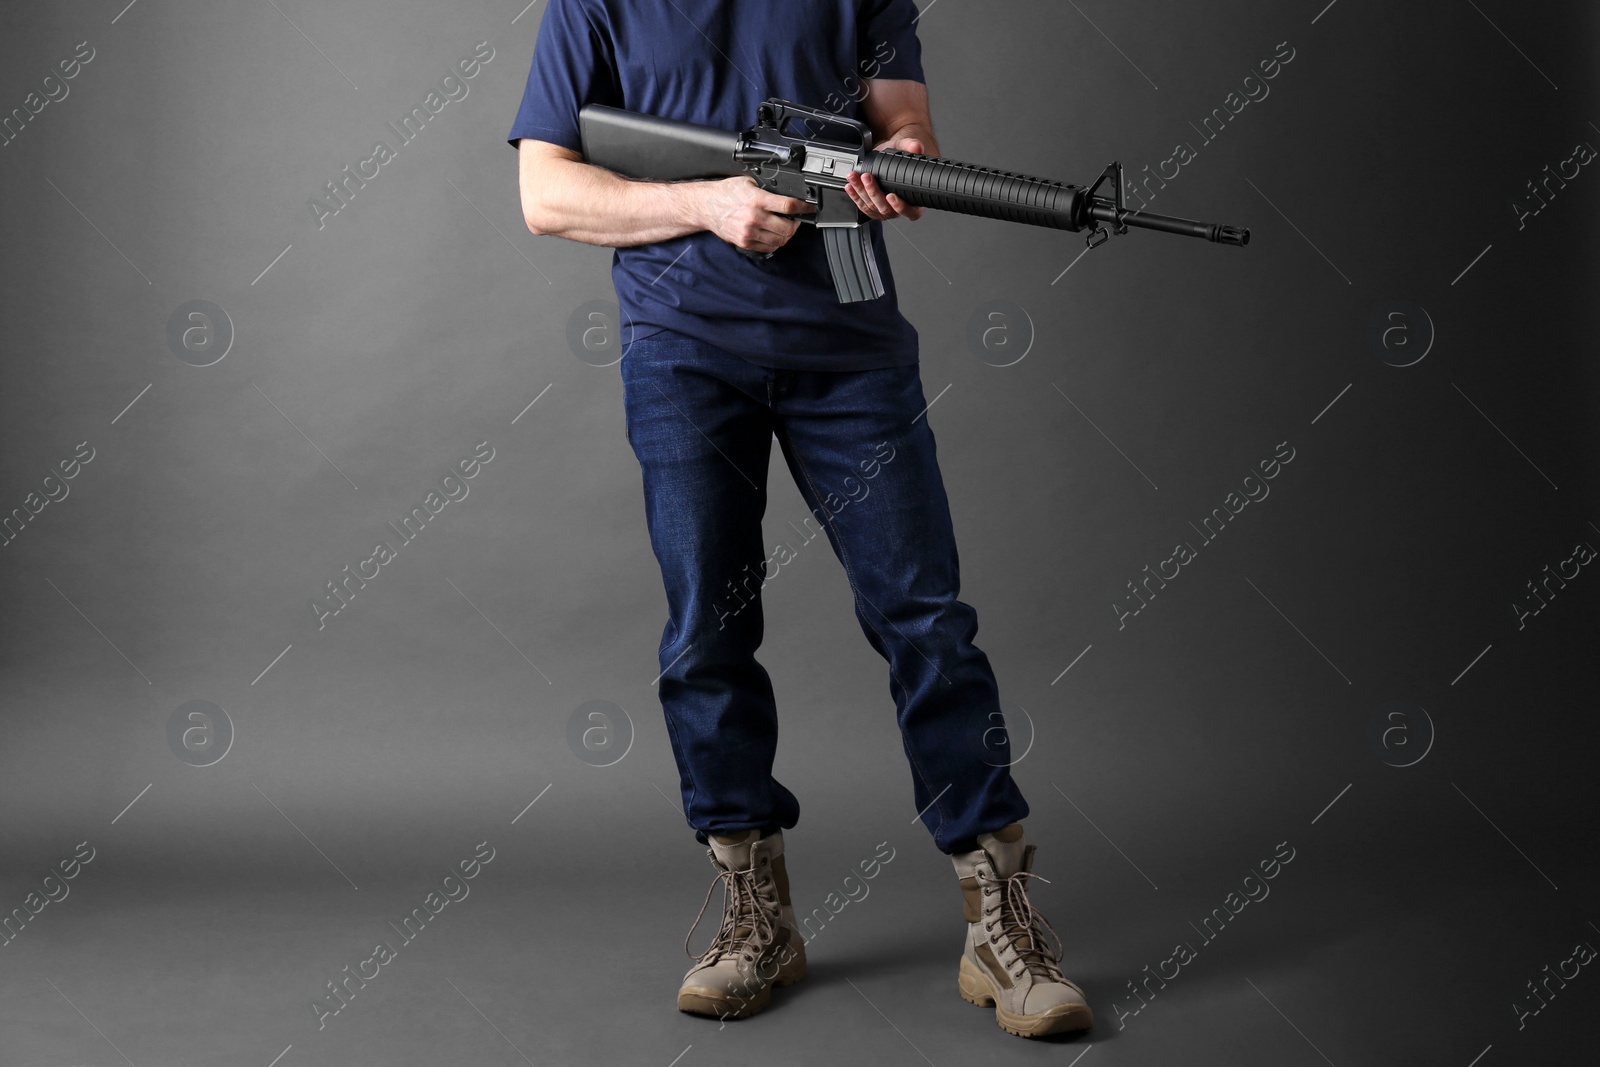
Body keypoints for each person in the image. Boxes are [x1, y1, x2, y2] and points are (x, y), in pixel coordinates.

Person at [507, 0, 1092, 1038]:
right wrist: (710, 206)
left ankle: (998, 918)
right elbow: (546, 192)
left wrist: (903, 161)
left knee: (926, 620)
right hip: (683, 350)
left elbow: (905, 122)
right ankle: (754, 914)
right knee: (706, 632)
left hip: (851, 352)